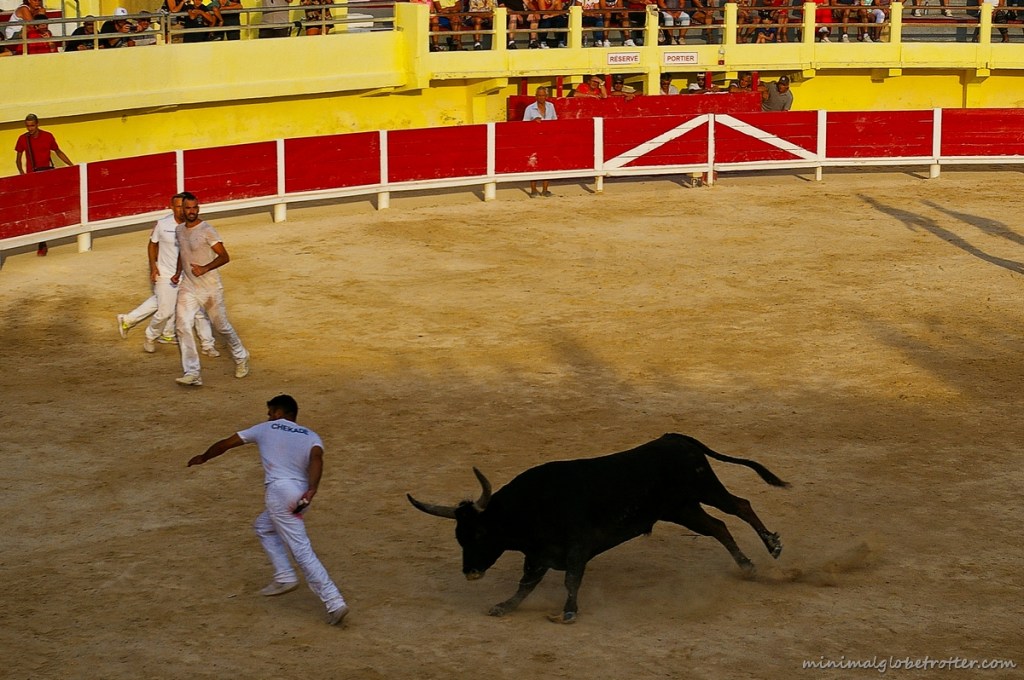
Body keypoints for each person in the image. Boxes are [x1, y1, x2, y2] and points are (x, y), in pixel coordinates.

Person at [186, 394, 349, 626]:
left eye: (271, 412)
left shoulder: (266, 428)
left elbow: (226, 444)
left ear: (280, 414)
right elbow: (317, 460)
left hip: (279, 493)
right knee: (263, 526)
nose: (269, 416)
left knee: (302, 551)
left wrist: (204, 457)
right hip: (300, 495)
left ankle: (334, 601)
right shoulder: (311, 435)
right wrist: (311, 490)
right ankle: (284, 575)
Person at [117, 193, 217, 356]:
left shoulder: (194, 225)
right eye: (178, 206)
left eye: (183, 207)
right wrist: (153, 267)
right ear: (172, 207)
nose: (181, 210)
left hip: (189, 275)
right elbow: (152, 244)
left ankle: (207, 344)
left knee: (199, 311)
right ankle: (151, 335)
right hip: (166, 274)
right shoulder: (163, 224)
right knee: (165, 311)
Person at [172, 191, 250, 386]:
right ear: (182, 209)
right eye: (188, 208)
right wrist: (177, 272)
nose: (192, 211)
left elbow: (225, 256)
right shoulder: (179, 230)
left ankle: (241, 356)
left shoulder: (207, 230)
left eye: (195, 208)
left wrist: (205, 268)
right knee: (182, 326)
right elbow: (183, 253)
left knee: (221, 327)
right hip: (188, 286)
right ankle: (192, 372)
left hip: (210, 288)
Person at [15, 113, 73, 256]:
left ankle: (47, 237)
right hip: (33, 177)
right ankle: (42, 243)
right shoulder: (23, 139)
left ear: (37, 124)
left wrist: (71, 166)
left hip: (47, 175)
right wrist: (22, 174)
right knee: (38, 209)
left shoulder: (48, 136)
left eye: (32, 125)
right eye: (28, 126)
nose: (30, 128)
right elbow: (18, 159)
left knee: (49, 207)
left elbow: (58, 152)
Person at [522, 86, 556, 197]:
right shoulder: (529, 108)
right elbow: (524, 124)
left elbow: (554, 121)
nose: (541, 97)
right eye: (538, 95)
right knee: (534, 164)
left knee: (547, 164)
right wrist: (533, 122)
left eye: (543, 95)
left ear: (546, 96)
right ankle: (533, 190)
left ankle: (545, 189)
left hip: (548, 139)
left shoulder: (551, 106)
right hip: (534, 140)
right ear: (536, 96)